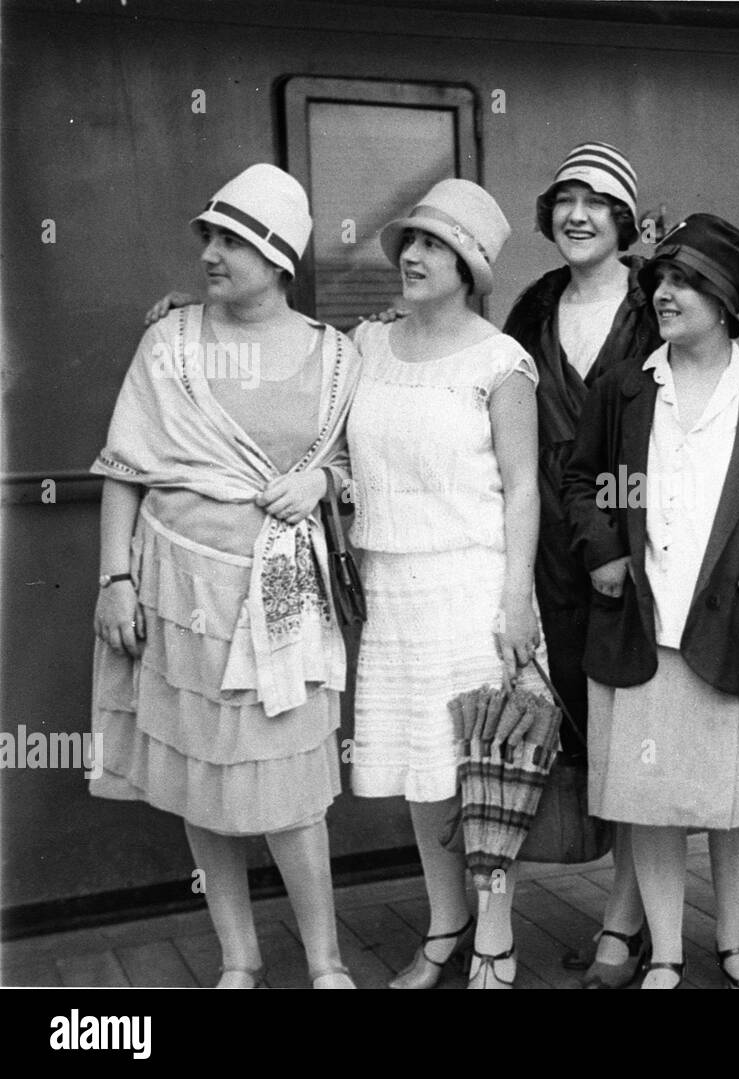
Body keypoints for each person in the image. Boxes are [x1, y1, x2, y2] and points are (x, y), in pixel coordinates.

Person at [91, 164, 361, 988]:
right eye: (208, 235)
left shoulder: (338, 356)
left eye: (232, 239)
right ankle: (238, 957)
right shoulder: (168, 340)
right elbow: (123, 468)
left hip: (281, 590)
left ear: (278, 257)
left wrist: (324, 481)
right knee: (203, 776)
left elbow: (357, 463)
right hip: (176, 585)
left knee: (289, 786)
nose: (211, 251)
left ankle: (325, 963)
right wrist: (113, 580)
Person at [564, 214, 739, 988]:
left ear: (727, 299)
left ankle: (734, 941)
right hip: (640, 632)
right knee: (649, 801)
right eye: (662, 281)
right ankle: (666, 950)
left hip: (736, 631)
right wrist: (604, 551)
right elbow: (579, 480)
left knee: (732, 801)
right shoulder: (625, 388)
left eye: (686, 283)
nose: (665, 295)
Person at [347, 178, 548, 990]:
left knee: (482, 776)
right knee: (421, 774)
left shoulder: (502, 361)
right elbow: (288, 361)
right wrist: (192, 310)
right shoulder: (363, 345)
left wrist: (515, 600)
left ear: (468, 264)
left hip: (472, 588)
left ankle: (495, 935)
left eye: (433, 244)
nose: (414, 256)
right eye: (411, 243)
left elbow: (524, 487)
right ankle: (445, 923)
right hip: (391, 588)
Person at [502, 143, 661, 988]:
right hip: (553, 558)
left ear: (625, 219)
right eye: (566, 196)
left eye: (599, 199)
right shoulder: (530, 307)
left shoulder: (658, 298)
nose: (579, 213)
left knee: (638, 734)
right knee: (586, 730)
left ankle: (624, 921)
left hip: (640, 546)